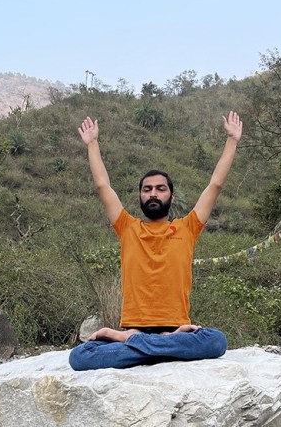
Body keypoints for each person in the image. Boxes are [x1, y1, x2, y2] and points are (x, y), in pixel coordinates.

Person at [69, 111, 243, 370]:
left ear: (171, 197)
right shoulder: (127, 228)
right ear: (140, 196)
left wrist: (232, 140)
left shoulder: (187, 228)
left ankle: (134, 343)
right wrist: (92, 143)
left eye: (161, 189)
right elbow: (103, 186)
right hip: (143, 329)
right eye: (147, 189)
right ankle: (160, 346)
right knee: (80, 356)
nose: (153, 193)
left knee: (216, 341)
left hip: (176, 329)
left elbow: (214, 185)